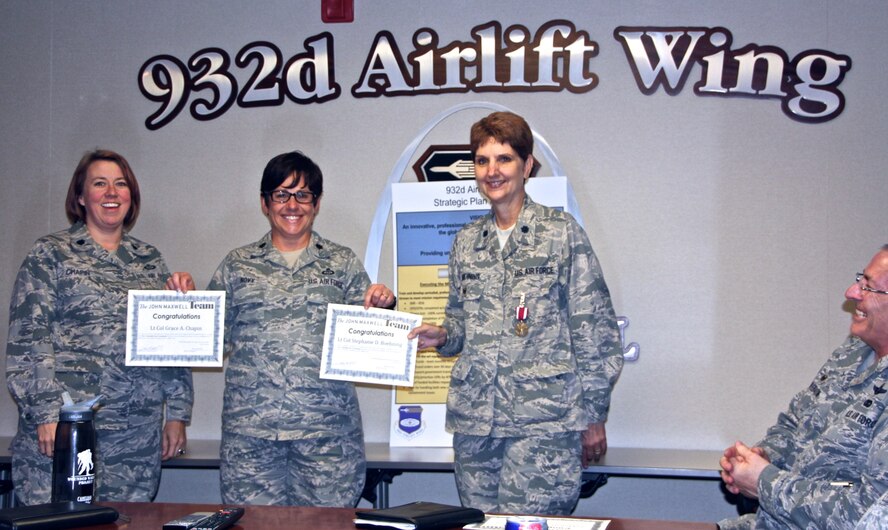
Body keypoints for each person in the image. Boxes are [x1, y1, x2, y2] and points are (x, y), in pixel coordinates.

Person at [408, 111, 623, 515]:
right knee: (480, 526)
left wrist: (593, 415)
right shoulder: (466, 242)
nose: (492, 171)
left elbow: (594, 331)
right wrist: (442, 335)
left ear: (526, 165)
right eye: (483, 160)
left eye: (504, 159)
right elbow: (460, 321)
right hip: (476, 428)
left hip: (543, 424)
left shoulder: (561, 234)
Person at [5, 149, 194, 505]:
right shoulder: (51, 254)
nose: (112, 193)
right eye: (100, 184)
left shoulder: (150, 261)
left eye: (120, 184)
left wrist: (178, 414)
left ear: (131, 196)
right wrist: (46, 413)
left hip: (135, 436)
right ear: (80, 196)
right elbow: (30, 338)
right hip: (69, 430)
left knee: (126, 523)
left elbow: (170, 341)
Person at [208, 150, 396, 506]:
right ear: (265, 203)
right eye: (281, 194)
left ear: (317, 202)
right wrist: (183, 307)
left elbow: (371, 331)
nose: (292, 204)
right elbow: (208, 338)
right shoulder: (237, 265)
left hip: (327, 438)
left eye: (303, 194)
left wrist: (382, 303)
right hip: (252, 438)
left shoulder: (341, 263)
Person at [719, 245, 888, 529]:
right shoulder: (852, 352)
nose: (851, 292)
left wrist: (764, 481)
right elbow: (795, 422)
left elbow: (869, 512)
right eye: (860, 279)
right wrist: (762, 457)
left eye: (868, 286)